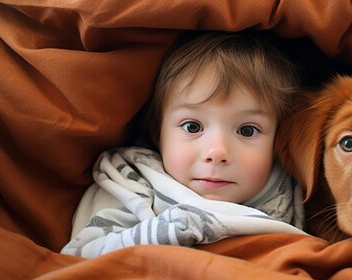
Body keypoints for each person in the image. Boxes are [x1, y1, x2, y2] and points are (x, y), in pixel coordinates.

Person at [62, 31, 306, 258]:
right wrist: (176, 228)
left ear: (277, 141)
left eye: (247, 130)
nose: (217, 152)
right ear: (158, 134)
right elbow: (83, 254)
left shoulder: (290, 191)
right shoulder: (134, 182)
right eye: (192, 127)